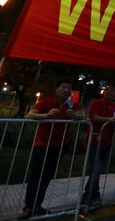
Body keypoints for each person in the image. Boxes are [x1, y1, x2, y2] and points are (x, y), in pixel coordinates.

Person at [20, 79, 84, 219]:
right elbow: (29, 114)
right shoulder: (46, 101)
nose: (66, 90)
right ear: (56, 89)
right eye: (63, 87)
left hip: (60, 145)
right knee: (36, 175)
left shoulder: (72, 103)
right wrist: (46, 115)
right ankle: (29, 206)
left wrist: (74, 115)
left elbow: (82, 115)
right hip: (43, 143)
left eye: (69, 88)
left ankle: (37, 205)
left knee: (47, 175)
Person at [81, 82, 115, 206]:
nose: (109, 92)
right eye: (107, 89)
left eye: (112, 90)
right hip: (94, 141)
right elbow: (94, 116)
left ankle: (89, 194)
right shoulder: (96, 103)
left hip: (107, 142)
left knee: (97, 170)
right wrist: (109, 120)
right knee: (96, 169)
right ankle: (92, 195)